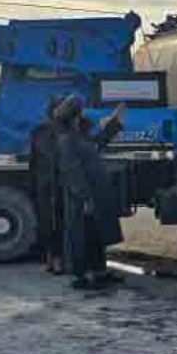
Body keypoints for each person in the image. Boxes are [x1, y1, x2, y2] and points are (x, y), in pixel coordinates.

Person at [57, 97, 126, 290]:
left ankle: (99, 273)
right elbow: (72, 171)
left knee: (96, 234)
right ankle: (81, 276)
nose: (83, 114)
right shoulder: (67, 140)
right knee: (82, 236)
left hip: (95, 193)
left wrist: (114, 122)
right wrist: (84, 196)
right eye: (81, 112)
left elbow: (98, 143)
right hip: (82, 198)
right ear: (74, 115)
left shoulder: (81, 136)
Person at [29, 97, 66, 274]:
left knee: (55, 221)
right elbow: (34, 160)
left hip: (54, 182)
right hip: (51, 182)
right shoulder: (44, 131)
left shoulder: (43, 131)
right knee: (51, 221)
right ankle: (53, 258)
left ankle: (55, 258)